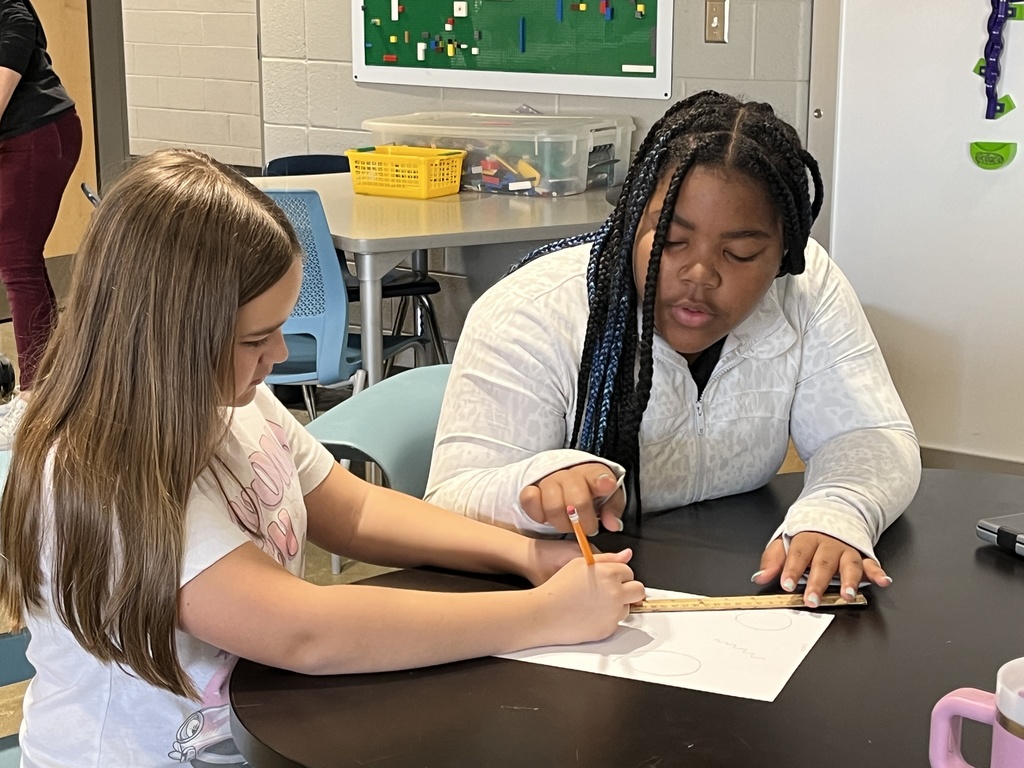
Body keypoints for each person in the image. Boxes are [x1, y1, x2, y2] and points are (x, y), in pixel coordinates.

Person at [0, 148, 645, 766]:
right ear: (170, 338)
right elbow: (304, 631)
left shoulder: (235, 404)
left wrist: (524, 553)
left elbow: (354, 507)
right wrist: (544, 615)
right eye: (257, 338)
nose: (279, 355)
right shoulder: (102, 472)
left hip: (254, 740)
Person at [425, 90, 922, 609]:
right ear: (630, 222)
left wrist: (837, 511)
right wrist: (530, 486)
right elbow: (447, 506)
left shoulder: (806, 288)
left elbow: (869, 433)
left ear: (782, 256)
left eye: (741, 253)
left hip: (729, 601)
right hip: (559, 610)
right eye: (672, 240)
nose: (700, 274)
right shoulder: (534, 311)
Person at [0, 0, 82, 447]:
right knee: (19, 261)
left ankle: (35, 401)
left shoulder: (14, 14)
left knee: (17, 261)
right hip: (15, 139)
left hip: (37, 134)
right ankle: (49, 385)